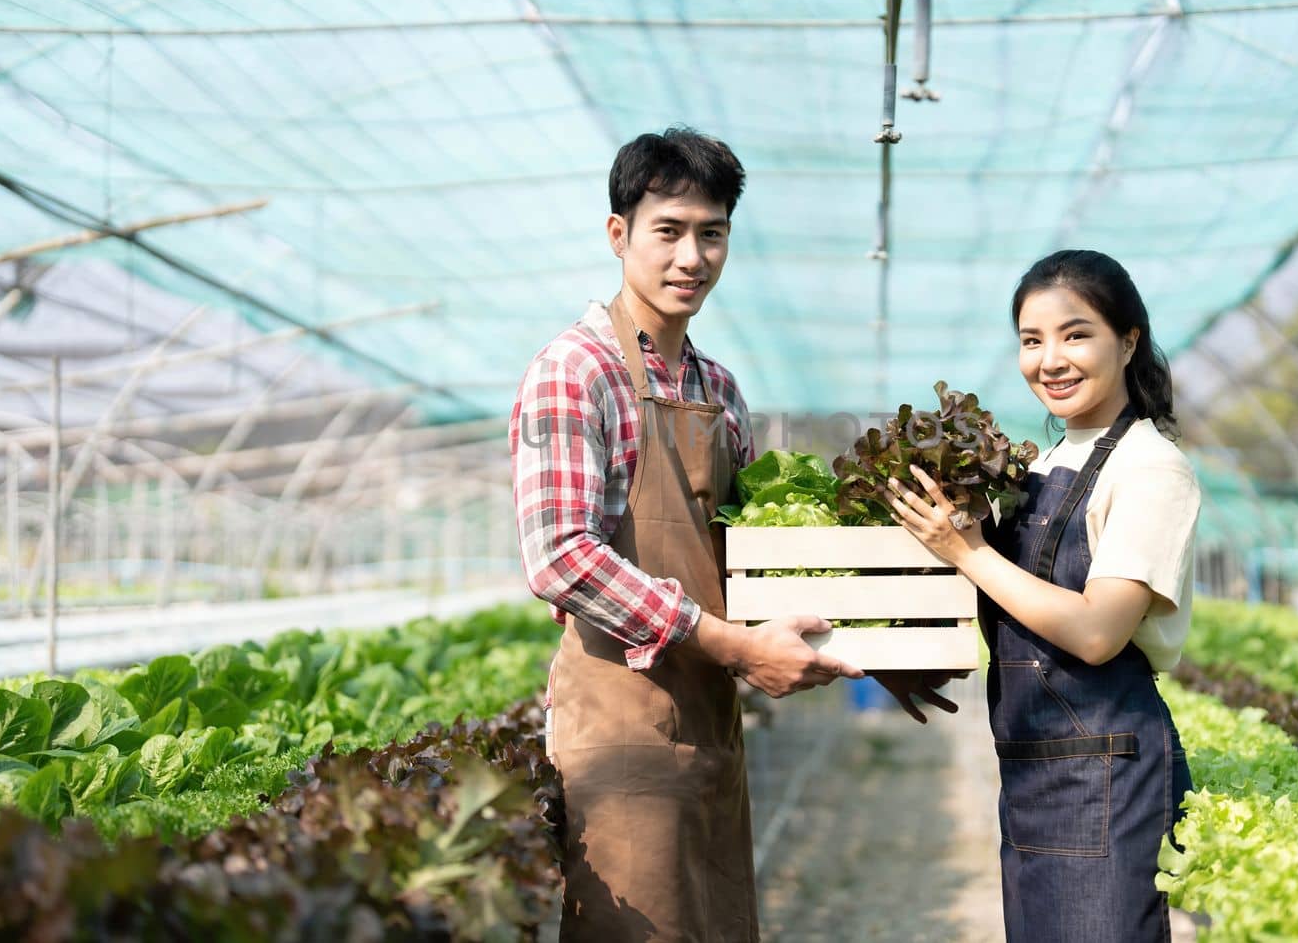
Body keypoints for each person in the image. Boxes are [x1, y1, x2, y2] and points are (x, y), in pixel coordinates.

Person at [509, 127, 862, 943]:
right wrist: (736, 646)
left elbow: (741, 553)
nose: (691, 257)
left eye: (713, 233)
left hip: (711, 716)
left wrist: (847, 635)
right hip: (622, 728)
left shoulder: (719, 388)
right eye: (668, 231)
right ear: (618, 234)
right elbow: (560, 556)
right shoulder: (576, 371)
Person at [886, 249, 1199, 942]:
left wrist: (963, 551)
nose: (1050, 360)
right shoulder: (1041, 465)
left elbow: (1096, 631)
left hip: (1103, 775)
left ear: (1128, 340)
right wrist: (895, 652)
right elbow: (1010, 608)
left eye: (1075, 334)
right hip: (1033, 768)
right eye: (1032, 341)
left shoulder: (1152, 467)